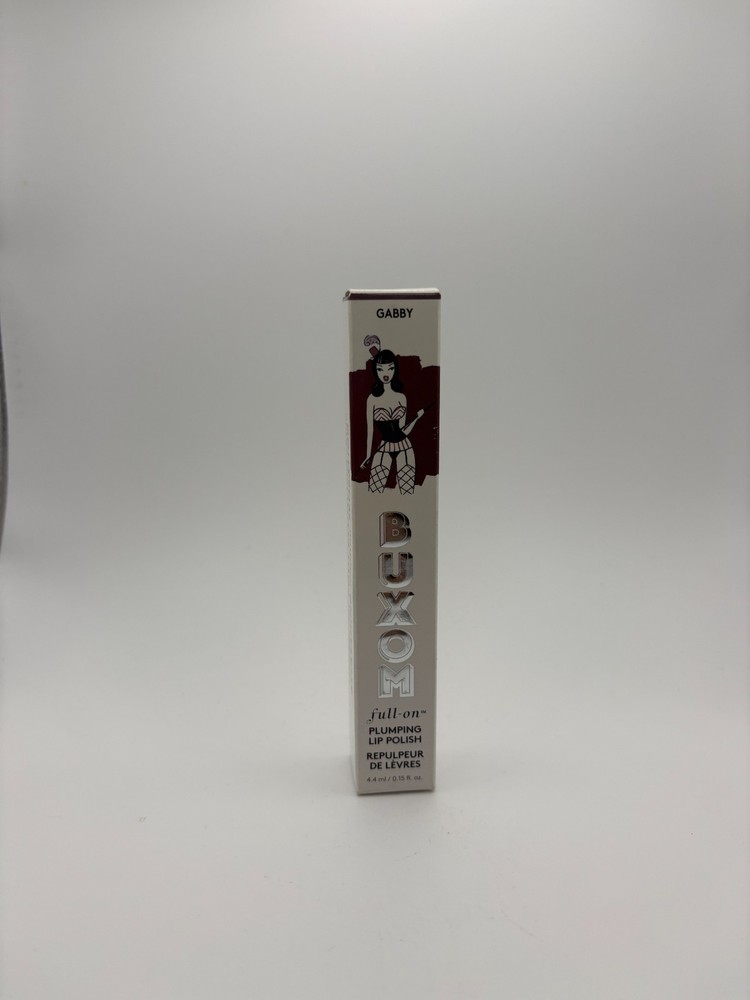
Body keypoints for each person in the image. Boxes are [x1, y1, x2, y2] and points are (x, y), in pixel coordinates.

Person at [360, 335, 424, 494]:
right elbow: (370, 430)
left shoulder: (401, 397)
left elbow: (403, 430)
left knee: (407, 491)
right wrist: (368, 456)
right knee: (374, 490)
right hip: (384, 447)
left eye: (390, 368)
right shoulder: (372, 399)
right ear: (375, 371)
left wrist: (416, 418)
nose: (386, 373)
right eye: (380, 369)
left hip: (405, 447)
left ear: (395, 369)